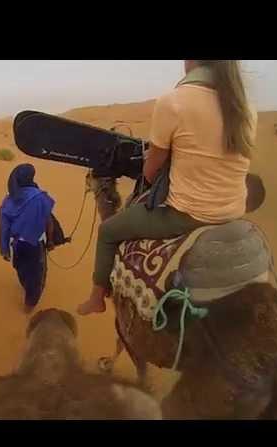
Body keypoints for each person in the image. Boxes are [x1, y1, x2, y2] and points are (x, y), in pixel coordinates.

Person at [78, 60, 258, 315]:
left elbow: (150, 173)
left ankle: (97, 297)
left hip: (189, 215)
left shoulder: (174, 101)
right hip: (232, 212)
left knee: (108, 231)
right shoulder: (245, 107)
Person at [0, 164, 55, 313]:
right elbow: (49, 221)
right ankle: (27, 312)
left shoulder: (8, 200)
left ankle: (28, 294)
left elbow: (4, 227)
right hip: (35, 245)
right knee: (36, 277)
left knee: (22, 269)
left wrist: (4, 249)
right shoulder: (41, 197)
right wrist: (51, 241)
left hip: (17, 245)